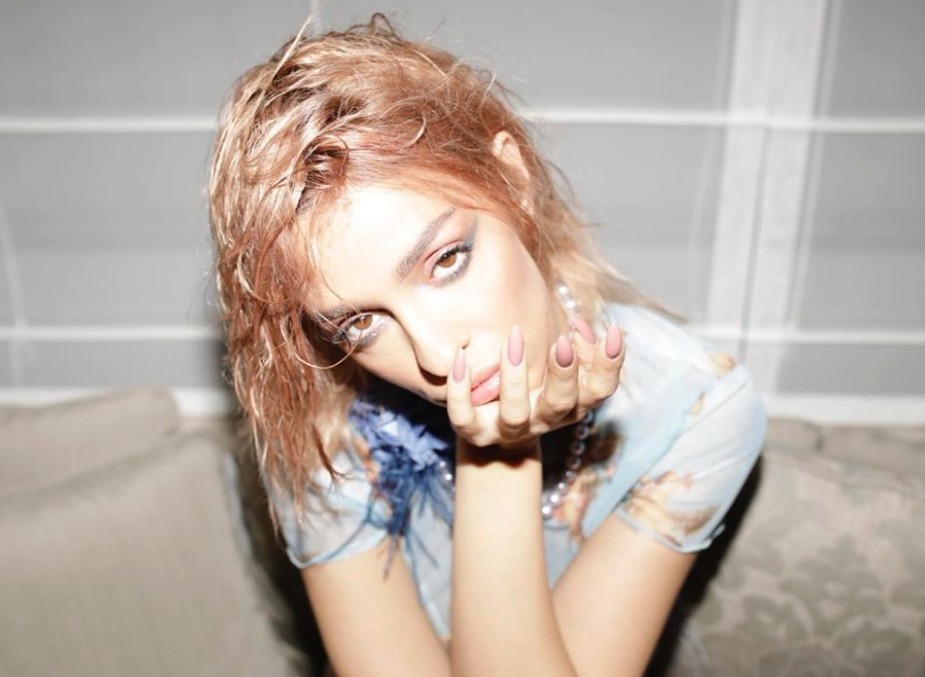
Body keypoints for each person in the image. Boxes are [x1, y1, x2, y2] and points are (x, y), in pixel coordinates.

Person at [208, 14, 767, 677]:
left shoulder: (695, 408)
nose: (436, 357)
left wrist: (499, 448)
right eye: (358, 324)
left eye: (446, 260)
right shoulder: (320, 424)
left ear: (512, 178)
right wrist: (500, 446)